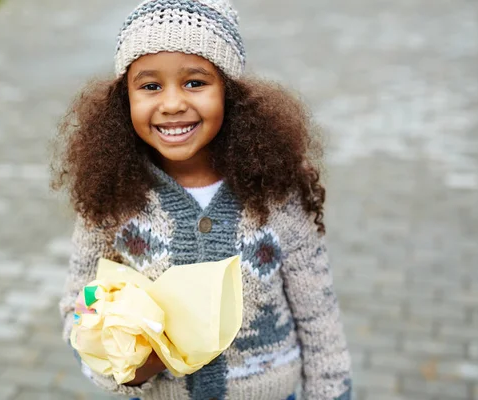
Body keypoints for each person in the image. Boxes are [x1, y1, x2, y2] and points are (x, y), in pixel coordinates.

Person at [52, 0, 352, 399]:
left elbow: (319, 321)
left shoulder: (274, 194)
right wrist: (130, 368)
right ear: (125, 98)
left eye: (195, 82)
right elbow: (79, 312)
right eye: (150, 86)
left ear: (230, 93)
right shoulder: (112, 199)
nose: (173, 103)